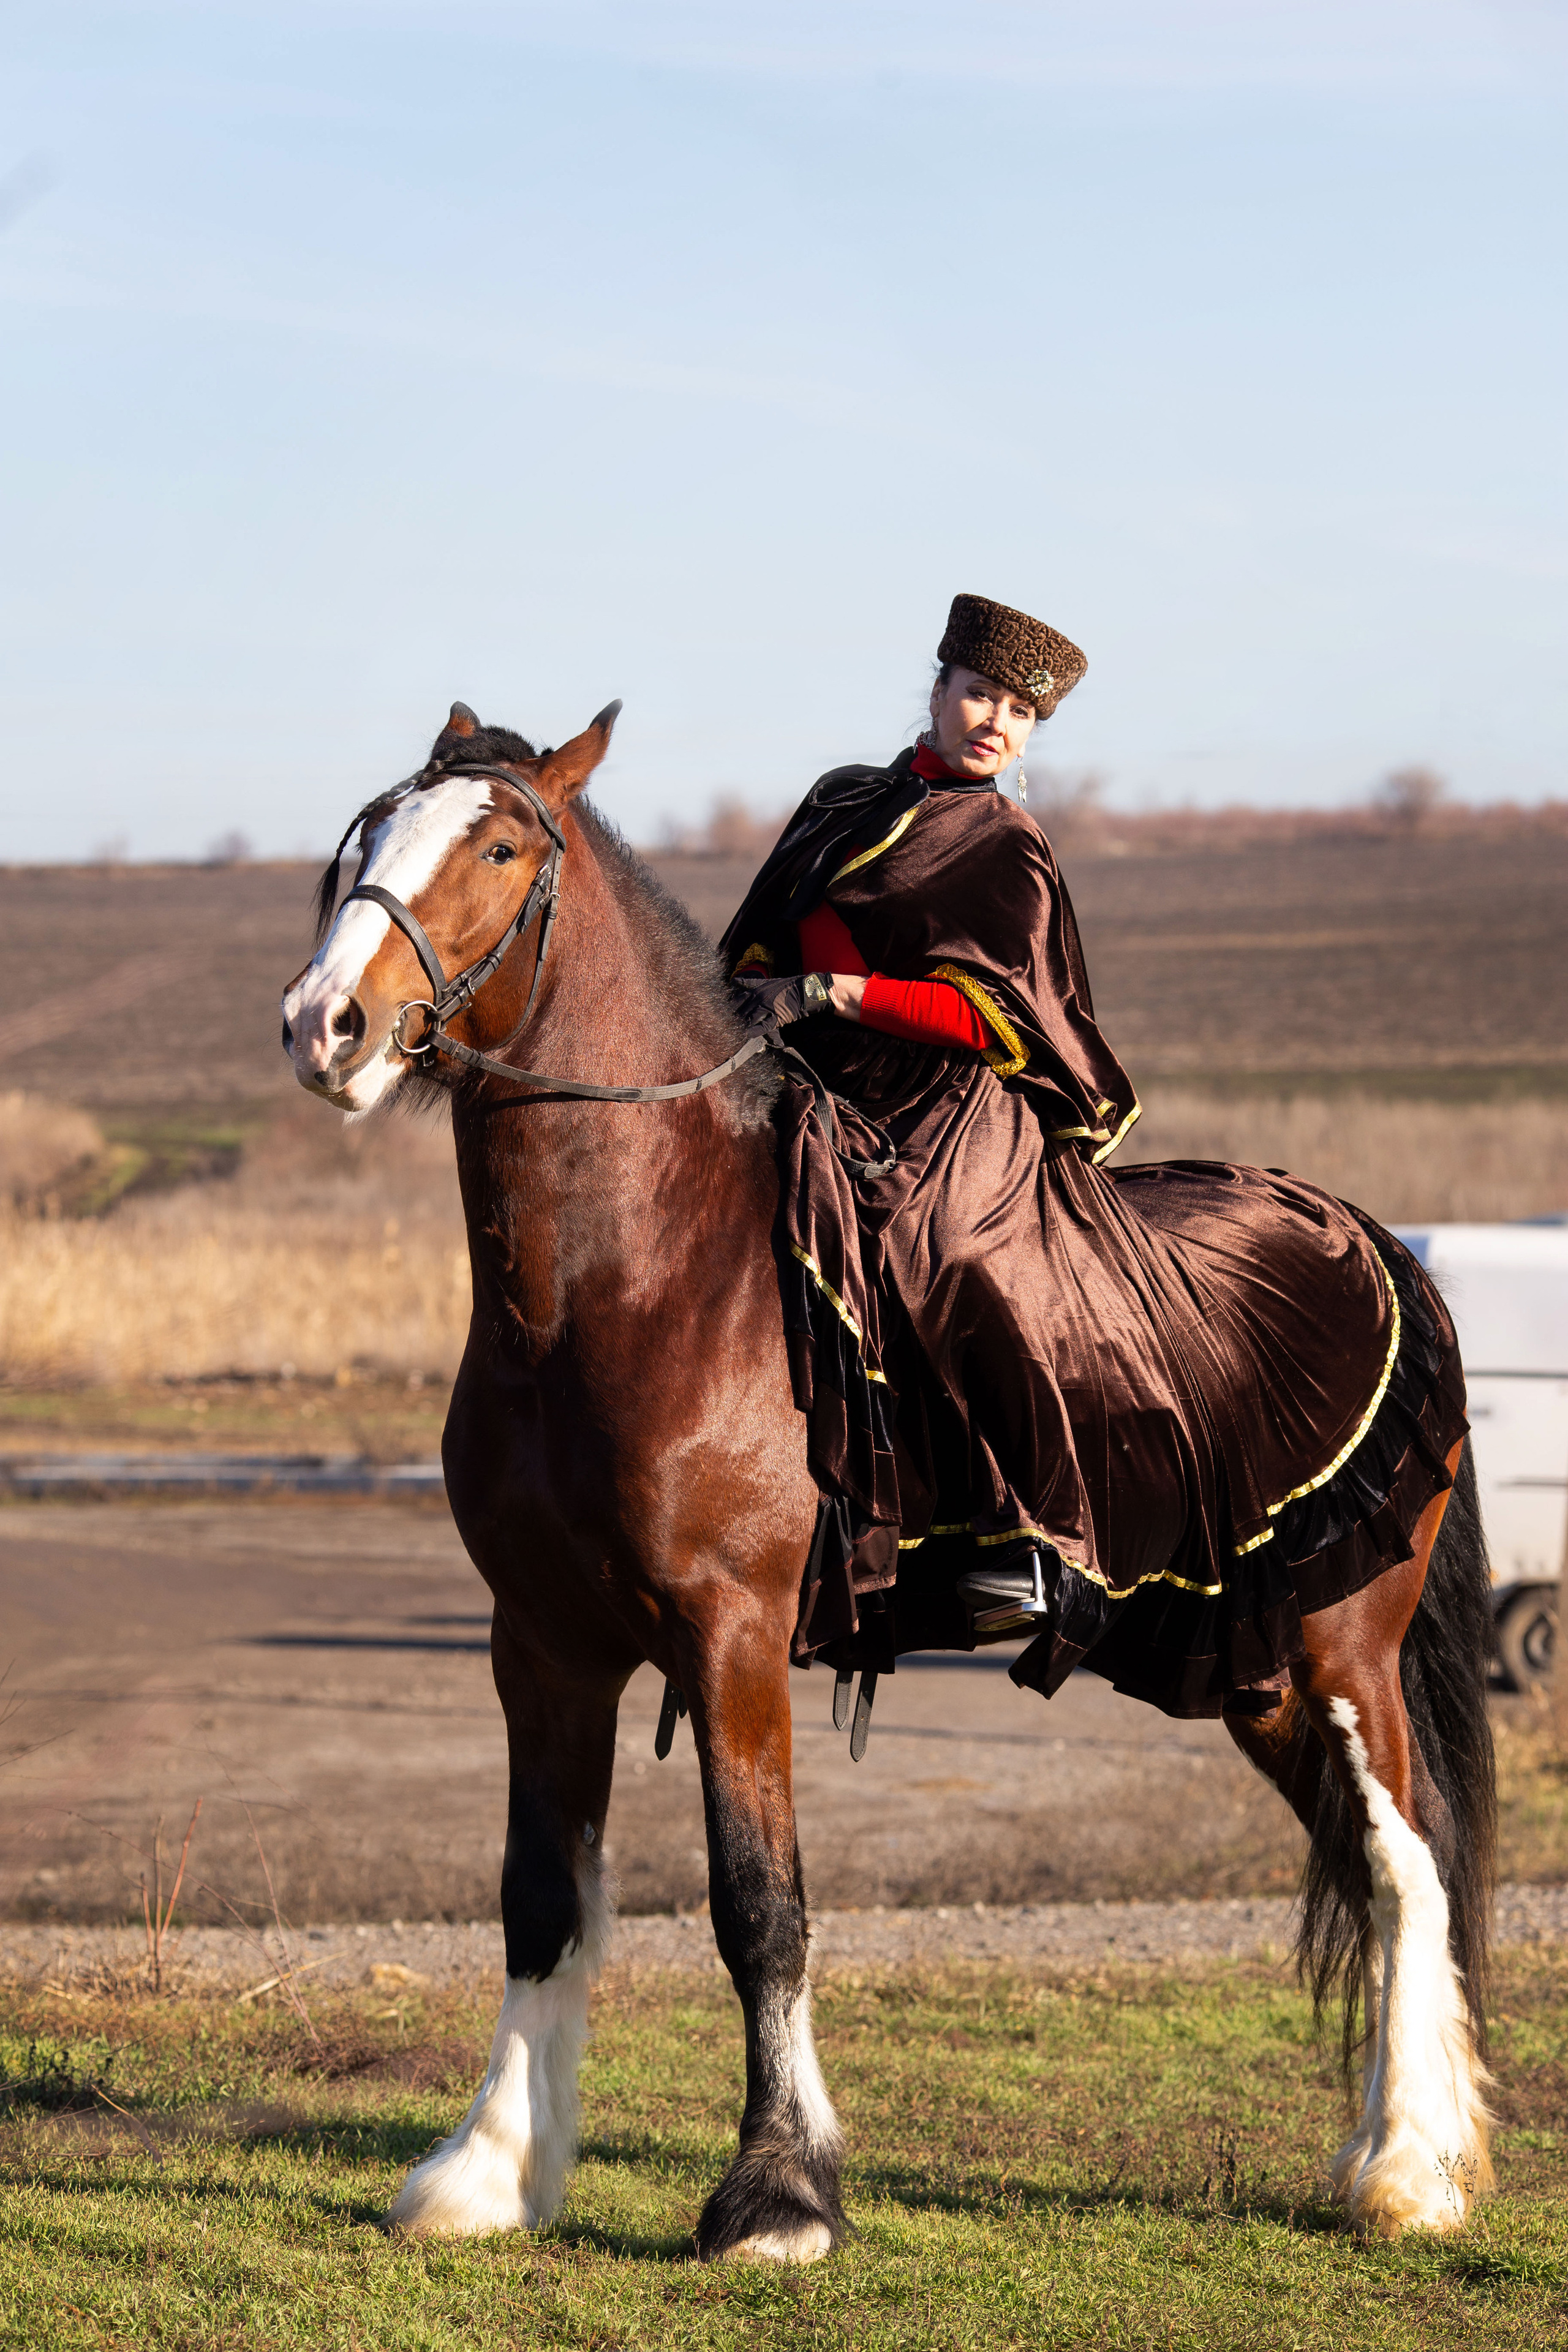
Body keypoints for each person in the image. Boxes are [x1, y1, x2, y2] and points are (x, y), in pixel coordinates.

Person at [722, 594, 1467, 1719]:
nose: (996, 724)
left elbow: (1002, 1019)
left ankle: (1032, 1539)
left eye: (1021, 713)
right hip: (814, 1077)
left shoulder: (1005, 843)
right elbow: (777, 925)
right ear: (937, 685)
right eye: (981, 694)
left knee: (956, 1253)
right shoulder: (843, 803)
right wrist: (791, 980)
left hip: (949, 1106)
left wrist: (837, 987)